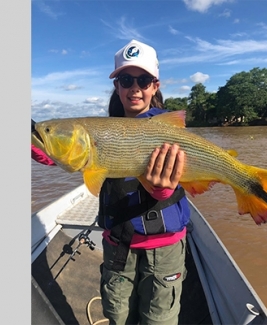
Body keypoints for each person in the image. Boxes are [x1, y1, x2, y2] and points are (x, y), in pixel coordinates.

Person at [98, 39, 190, 325]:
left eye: (144, 79)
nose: (135, 87)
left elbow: (180, 186)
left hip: (164, 248)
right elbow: (56, 154)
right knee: (118, 316)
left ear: (155, 85)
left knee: (158, 320)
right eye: (126, 79)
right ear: (117, 86)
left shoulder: (169, 129)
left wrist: (163, 188)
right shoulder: (102, 131)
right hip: (118, 245)